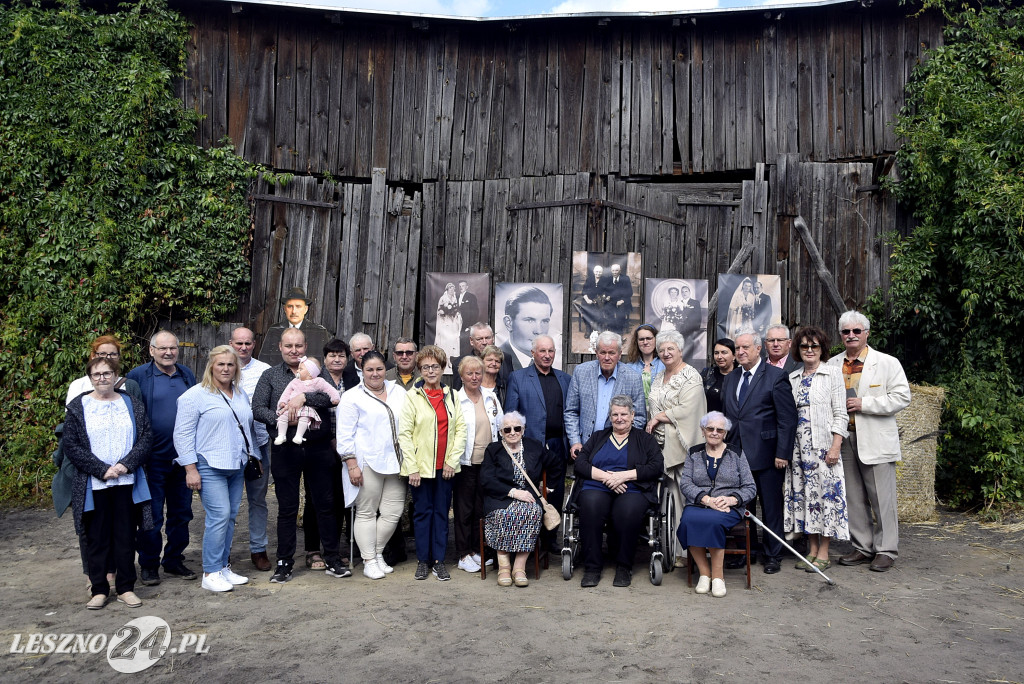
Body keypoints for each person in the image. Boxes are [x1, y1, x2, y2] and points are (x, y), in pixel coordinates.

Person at [252, 328, 351, 582]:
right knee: (287, 507)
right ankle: (284, 562)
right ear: (280, 347)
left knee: (325, 504)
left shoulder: (318, 372)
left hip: (318, 447)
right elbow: (258, 408)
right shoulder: (270, 375)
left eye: (298, 346)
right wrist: (282, 417)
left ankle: (332, 558)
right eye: (288, 346)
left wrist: (304, 397)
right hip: (285, 447)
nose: (294, 351)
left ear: (305, 347)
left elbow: (330, 398)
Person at [63, 356, 152, 610]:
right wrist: (101, 470)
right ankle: (99, 590)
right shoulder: (79, 406)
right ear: (90, 378)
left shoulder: (131, 403)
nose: (102, 378)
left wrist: (126, 464)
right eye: (96, 374)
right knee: (96, 537)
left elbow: (146, 437)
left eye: (107, 373)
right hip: (94, 484)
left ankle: (125, 588)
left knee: (125, 536)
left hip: (126, 481)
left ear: (115, 375)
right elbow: (71, 445)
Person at [828, 310, 911, 573]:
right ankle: (862, 546)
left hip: (875, 438)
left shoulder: (886, 363)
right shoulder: (832, 364)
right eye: (846, 331)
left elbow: (902, 397)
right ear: (840, 335)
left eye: (856, 331)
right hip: (844, 439)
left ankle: (886, 550)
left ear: (867, 333)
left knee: (882, 498)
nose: (851, 335)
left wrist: (865, 404)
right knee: (853, 496)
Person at [173, 346, 257, 593]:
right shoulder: (194, 396)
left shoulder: (239, 393)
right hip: (209, 464)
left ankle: (222, 567)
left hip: (236, 463)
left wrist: (254, 455)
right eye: (221, 364)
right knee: (219, 515)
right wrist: (190, 468)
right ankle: (210, 572)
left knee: (230, 516)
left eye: (230, 364)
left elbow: (246, 428)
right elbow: (182, 434)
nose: (226, 369)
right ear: (211, 366)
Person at [721, 331, 798, 574]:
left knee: (770, 507)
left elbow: (787, 419)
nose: (741, 352)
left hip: (767, 456)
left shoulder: (775, 376)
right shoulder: (731, 378)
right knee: (743, 507)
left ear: (758, 349)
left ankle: (772, 555)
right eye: (738, 348)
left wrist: (782, 453)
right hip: (737, 455)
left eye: (746, 347)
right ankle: (748, 552)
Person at [126, 330, 198, 586]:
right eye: (163, 348)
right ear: (151, 350)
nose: (168, 353)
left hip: (182, 460)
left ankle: (174, 560)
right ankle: (149, 564)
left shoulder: (186, 374)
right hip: (152, 460)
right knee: (152, 517)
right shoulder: (138, 376)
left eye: (173, 348)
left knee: (181, 514)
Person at [574, 395, 664, 587]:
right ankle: (592, 567)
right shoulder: (598, 437)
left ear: (632, 415)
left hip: (632, 487)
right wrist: (607, 478)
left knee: (627, 511)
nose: (619, 418)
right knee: (590, 506)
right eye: (615, 414)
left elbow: (656, 466)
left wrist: (624, 476)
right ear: (610, 416)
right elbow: (580, 464)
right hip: (598, 485)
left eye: (624, 414)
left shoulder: (645, 439)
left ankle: (624, 566)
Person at [336, 351, 408, 580]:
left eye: (379, 369)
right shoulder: (352, 397)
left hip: (396, 462)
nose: (375, 374)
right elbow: (344, 434)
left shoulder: (399, 392)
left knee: (392, 513)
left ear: (385, 369)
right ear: (362, 371)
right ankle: (368, 561)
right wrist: (351, 464)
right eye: (370, 370)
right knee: (366, 512)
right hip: (366, 462)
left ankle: (376, 554)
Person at [398, 345, 467, 581]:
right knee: (422, 513)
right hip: (420, 469)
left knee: (441, 513)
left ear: (442, 368)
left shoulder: (453, 395)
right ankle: (422, 560)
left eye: (435, 366)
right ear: (419, 370)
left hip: (445, 469)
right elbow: (404, 434)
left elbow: (461, 431)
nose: (430, 371)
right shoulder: (412, 396)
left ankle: (439, 561)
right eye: (425, 367)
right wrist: (412, 468)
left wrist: (451, 462)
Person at [784, 326, 849, 572]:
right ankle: (811, 550)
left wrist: (835, 446)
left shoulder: (832, 373)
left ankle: (824, 552)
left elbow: (840, 413)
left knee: (826, 498)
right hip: (798, 451)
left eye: (814, 346)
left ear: (822, 349)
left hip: (823, 449)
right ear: (798, 350)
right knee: (806, 499)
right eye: (804, 346)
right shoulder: (793, 377)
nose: (809, 350)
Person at [676, 411, 757, 598]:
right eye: (710, 428)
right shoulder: (694, 453)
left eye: (719, 430)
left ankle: (718, 577)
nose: (714, 433)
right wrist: (707, 500)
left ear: (725, 433)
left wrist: (731, 499)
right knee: (688, 521)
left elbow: (750, 487)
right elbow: (686, 484)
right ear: (703, 430)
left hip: (727, 507)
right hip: (700, 503)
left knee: (713, 522)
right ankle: (705, 573)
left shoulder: (736, 454)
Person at [504, 334, 571, 551]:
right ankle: (530, 540)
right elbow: (511, 415)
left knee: (556, 492)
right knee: (530, 492)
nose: (547, 355)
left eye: (551, 351)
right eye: (542, 351)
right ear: (533, 353)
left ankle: (550, 540)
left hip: (557, 445)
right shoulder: (518, 377)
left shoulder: (565, 379)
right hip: (529, 447)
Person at [645, 329, 706, 567]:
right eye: (661, 350)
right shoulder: (659, 376)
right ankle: (671, 549)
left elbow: (689, 409)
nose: (666, 353)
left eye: (670, 348)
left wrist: (659, 417)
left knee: (686, 498)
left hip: (681, 447)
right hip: (659, 447)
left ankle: (689, 552)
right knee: (668, 500)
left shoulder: (691, 376)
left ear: (681, 350)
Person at [480, 411, 554, 587]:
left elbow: (555, 463)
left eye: (517, 428)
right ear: (501, 432)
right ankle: (504, 567)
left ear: (523, 429)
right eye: (507, 429)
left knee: (533, 512)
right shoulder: (493, 449)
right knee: (502, 515)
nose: (512, 432)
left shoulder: (534, 446)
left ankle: (519, 567)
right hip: (501, 496)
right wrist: (512, 492)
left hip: (529, 496)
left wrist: (548, 487)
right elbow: (486, 479)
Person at [228, 327, 273, 572]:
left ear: (254, 344)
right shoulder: (221, 368)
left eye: (247, 343)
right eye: (239, 343)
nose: (243, 347)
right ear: (231, 343)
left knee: (257, 499)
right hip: (230, 446)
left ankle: (258, 549)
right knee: (228, 502)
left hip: (259, 444)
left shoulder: (264, 370)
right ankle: (223, 551)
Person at [453, 355, 503, 573]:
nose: (474, 377)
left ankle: (476, 549)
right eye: (469, 373)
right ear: (461, 376)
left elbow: (501, 425)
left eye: (478, 373)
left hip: (487, 463)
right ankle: (463, 554)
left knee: (480, 509)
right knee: (464, 509)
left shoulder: (491, 397)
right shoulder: (456, 399)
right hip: (465, 463)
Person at [564, 331, 647, 459]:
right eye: (603, 352)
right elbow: (571, 411)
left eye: (612, 353)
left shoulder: (633, 378)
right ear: (596, 353)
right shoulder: (581, 372)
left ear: (619, 354)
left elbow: (639, 417)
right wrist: (575, 441)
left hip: (619, 450)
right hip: (585, 447)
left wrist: (622, 442)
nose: (607, 357)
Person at [272, 357, 340, 445]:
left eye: (301, 369)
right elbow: (286, 393)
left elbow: (330, 389)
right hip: (291, 408)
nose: (297, 371)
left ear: (310, 374)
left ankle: (299, 436)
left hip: (307, 408)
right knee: (282, 418)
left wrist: (335, 398)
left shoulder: (318, 381)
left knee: (304, 418)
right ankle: (281, 435)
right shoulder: (295, 381)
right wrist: (282, 402)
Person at [260, 287, 331, 367]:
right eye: (290, 306)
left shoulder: (319, 331)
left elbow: (325, 363)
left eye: (298, 306)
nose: (294, 311)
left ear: (305, 309)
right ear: (284, 309)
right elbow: (263, 361)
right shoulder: (274, 329)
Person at [65, 335, 142, 406]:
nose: (108, 357)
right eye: (103, 353)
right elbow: (72, 414)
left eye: (113, 354)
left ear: (118, 357)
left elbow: (137, 413)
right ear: (93, 356)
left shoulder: (129, 386)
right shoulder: (79, 385)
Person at [500, 286, 554, 376]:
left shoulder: (549, 366)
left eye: (544, 321)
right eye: (530, 320)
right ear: (508, 323)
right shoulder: (495, 362)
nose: (539, 331)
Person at [623, 323, 664, 404]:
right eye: (641, 339)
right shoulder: (628, 368)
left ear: (656, 340)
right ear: (636, 342)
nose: (645, 342)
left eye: (649, 338)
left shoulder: (665, 365)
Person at [450, 323, 498, 391]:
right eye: (479, 339)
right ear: (471, 341)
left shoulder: (505, 359)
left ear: (493, 338)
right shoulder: (459, 363)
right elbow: (457, 392)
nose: (484, 342)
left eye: (487, 338)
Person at [701, 338, 738, 414]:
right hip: (710, 420)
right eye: (716, 353)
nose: (719, 357)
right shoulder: (707, 374)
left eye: (724, 353)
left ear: (734, 356)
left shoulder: (741, 375)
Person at [575, 264, 608, 335]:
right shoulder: (589, 279)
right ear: (593, 271)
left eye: (600, 272)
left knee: (599, 313)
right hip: (588, 300)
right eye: (596, 272)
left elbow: (607, 291)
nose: (598, 273)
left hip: (599, 301)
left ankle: (597, 328)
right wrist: (587, 299)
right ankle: (588, 328)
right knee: (585, 311)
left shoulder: (605, 280)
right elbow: (584, 291)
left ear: (602, 272)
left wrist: (602, 298)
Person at [435, 282, 462, 365]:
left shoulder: (455, 298)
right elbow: (439, 310)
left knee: (452, 341)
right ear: (447, 289)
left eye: (453, 289)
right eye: (450, 289)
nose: (452, 290)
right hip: (445, 322)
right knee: (445, 341)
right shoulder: (443, 298)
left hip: (453, 322)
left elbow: (456, 308)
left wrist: (456, 313)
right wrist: (443, 312)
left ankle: (450, 359)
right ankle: (444, 359)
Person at [606, 263, 634, 334]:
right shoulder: (608, 279)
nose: (615, 272)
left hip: (623, 300)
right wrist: (607, 296)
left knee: (621, 311)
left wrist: (622, 300)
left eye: (616, 270)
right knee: (608, 309)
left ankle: (619, 330)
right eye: (613, 270)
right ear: (611, 271)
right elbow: (606, 290)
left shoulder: (625, 278)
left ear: (620, 271)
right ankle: (612, 328)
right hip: (612, 300)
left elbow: (630, 292)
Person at [456, 280, 479, 357]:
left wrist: (471, 325)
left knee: (465, 343)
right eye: (460, 286)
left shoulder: (471, 296)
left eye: (463, 286)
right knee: (457, 342)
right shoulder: (456, 296)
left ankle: (465, 359)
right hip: (456, 324)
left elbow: (475, 311)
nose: (461, 287)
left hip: (466, 324)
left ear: (467, 287)